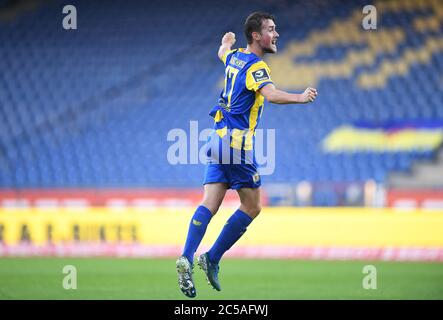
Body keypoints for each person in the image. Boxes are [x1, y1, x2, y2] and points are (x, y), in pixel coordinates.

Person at [176, 11, 318, 298]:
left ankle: (186, 257)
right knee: (253, 206)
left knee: (210, 202)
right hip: (238, 146)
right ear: (257, 35)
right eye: (271, 29)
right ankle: (212, 257)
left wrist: (224, 43)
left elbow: (223, 54)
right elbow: (271, 93)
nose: (276, 34)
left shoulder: (235, 57)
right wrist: (300, 97)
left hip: (216, 140)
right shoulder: (255, 66)